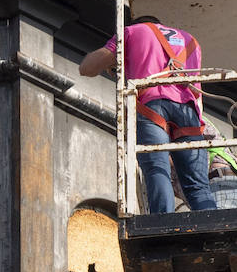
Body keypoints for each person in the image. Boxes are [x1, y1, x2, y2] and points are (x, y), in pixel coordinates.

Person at [80, 16, 217, 214]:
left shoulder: (133, 31)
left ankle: (162, 221)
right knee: (198, 186)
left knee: (157, 169)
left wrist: (117, 62)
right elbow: (197, 95)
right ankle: (211, 222)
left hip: (152, 106)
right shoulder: (191, 41)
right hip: (188, 112)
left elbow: (88, 68)